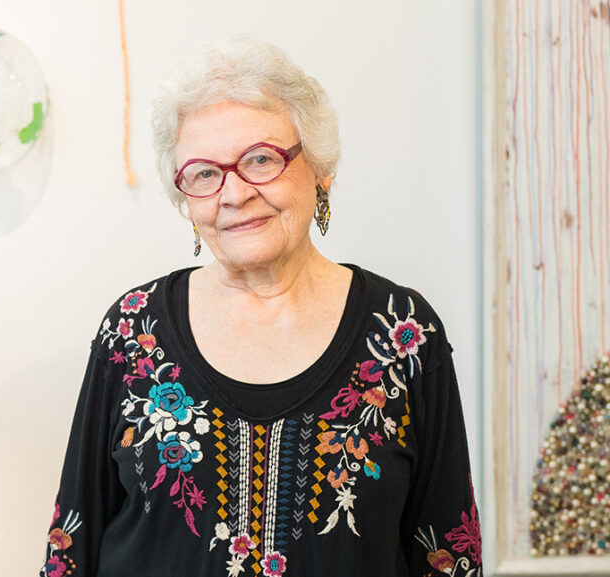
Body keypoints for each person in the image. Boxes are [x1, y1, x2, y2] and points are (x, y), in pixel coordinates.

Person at [41, 38, 481, 577]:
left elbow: (449, 553)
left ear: (318, 169)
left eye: (260, 159)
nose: (234, 193)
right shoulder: (133, 330)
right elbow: (71, 544)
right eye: (203, 173)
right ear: (185, 199)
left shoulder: (402, 332)